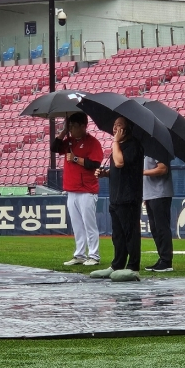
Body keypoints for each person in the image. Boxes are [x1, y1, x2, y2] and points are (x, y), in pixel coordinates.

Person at [90, 117, 145, 280]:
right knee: (118, 235)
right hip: (116, 197)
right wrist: (105, 173)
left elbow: (120, 163)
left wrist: (115, 142)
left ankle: (133, 267)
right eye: (114, 124)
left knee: (130, 233)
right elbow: (118, 169)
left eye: (119, 125)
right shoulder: (119, 146)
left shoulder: (134, 145)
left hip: (129, 197)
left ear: (127, 129)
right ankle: (117, 264)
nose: (115, 128)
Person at [51, 112, 103, 266]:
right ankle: (79, 254)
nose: (71, 130)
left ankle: (94, 255)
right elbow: (54, 148)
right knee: (77, 225)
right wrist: (63, 132)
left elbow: (95, 164)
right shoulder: (69, 141)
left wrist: (75, 158)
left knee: (89, 224)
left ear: (83, 126)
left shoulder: (92, 142)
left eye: (73, 127)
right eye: (70, 126)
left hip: (87, 189)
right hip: (71, 189)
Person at [143, 156, 174, 272]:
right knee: (155, 229)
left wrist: (143, 172)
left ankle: (166, 261)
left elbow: (162, 169)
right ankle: (162, 259)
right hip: (150, 194)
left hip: (160, 193)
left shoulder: (158, 150)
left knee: (162, 228)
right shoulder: (146, 150)